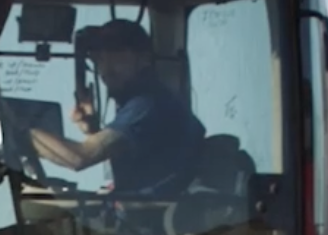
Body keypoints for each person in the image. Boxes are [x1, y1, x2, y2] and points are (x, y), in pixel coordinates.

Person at [19, 19, 204, 202]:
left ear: (144, 58)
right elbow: (136, 159)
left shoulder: (147, 105)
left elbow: (78, 158)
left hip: (145, 224)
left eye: (116, 55)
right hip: (145, 216)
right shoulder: (143, 103)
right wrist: (93, 130)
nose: (106, 68)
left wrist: (18, 127)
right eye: (99, 58)